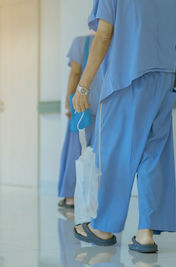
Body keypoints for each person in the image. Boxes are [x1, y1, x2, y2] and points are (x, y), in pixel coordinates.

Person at [72, 0, 176, 253]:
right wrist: (166, 52)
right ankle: (145, 235)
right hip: (162, 77)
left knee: (117, 154)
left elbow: (104, 34)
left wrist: (83, 86)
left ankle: (103, 228)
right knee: (154, 155)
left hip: (127, 79)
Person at [58, 31, 104, 209]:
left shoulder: (81, 43)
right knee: (102, 153)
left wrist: (68, 100)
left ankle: (72, 198)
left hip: (82, 103)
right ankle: (98, 197)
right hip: (106, 105)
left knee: (75, 150)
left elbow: (75, 73)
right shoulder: (115, 42)